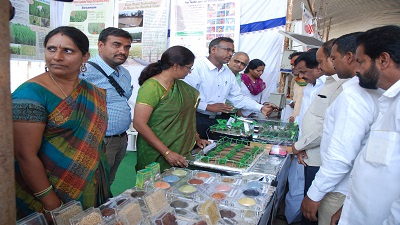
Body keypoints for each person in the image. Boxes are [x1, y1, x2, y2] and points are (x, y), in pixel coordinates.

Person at [13, 26, 111, 220]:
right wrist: (51, 203)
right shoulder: (29, 95)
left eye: (67, 50)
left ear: (84, 57)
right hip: (46, 193)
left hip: (91, 181)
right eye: (51, 49)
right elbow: (25, 155)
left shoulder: (92, 91)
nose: (56, 57)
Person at [333, 25, 400, 225]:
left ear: (383, 60)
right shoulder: (390, 100)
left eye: (361, 61)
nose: (358, 69)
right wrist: (348, 208)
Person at [297, 37, 360, 225]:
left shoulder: (348, 90)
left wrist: (299, 146)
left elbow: (330, 133)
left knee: (315, 214)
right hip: (315, 156)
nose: (321, 66)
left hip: (328, 168)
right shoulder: (332, 83)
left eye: (325, 59)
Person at [134, 46, 210, 171]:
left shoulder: (183, 88)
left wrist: (196, 138)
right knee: (153, 188)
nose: (189, 72)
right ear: (176, 66)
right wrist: (167, 153)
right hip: (156, 151)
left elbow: (186, 117)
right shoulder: (152, 87)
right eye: (188, 68)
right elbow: (139, 123)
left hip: (180, 150)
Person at [183, 37, 276, 139]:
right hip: (196, 119)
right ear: (213, 49)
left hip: (218, 121)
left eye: (232, 51)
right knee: (196, 151)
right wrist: (208, 107)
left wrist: (260, 108)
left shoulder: (228, 74)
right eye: (227, 50)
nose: (230, 54)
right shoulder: (197, 68)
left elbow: (238, 98)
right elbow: (185, 97)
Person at [80, 27, 133, 185]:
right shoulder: (85, 71)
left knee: (108, 181)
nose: (122, 51)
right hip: (98, 141)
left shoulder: (124, 73)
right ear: (101, 46)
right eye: (116, 45)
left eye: (126, 47)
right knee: (93, 184)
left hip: (121, 139)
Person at [288, 52, 307, 123]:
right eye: (292, 64)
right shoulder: (295, 80)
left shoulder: (313, 82)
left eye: (296, 64)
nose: (293, 67)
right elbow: (293, 99)